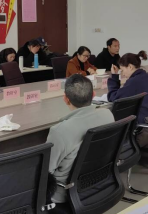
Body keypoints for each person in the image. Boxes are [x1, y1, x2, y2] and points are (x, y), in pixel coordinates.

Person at [47, 74, 114, 203]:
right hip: (99, 182)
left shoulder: (60, 131)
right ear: (93, 95)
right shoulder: (108, 115)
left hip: (65, 192)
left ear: (66, 99)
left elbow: (46, 170)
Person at [108, 51, 148, 123]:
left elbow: (113, 98)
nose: (122, 74)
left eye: (122, 70)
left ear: (130, 67)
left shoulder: (134, 81)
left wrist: (114, 76)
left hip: (145, 123)